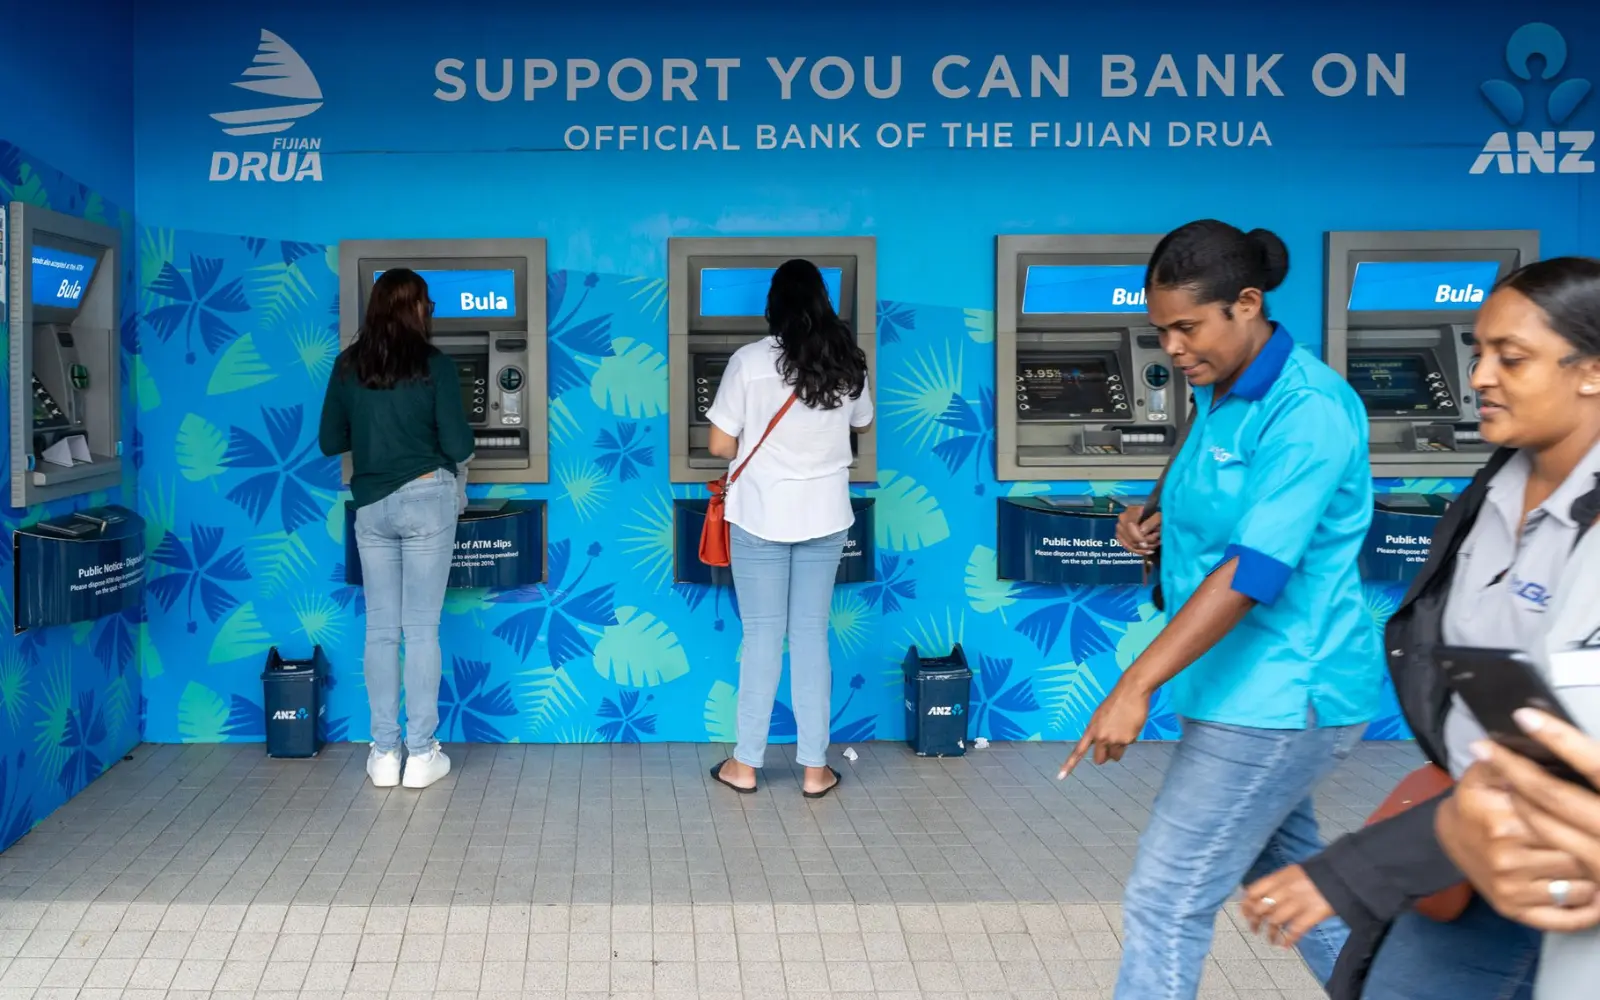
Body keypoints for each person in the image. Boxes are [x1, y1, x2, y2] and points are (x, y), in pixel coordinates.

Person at [1240, 256, 1600, 999]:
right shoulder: (1493, 488)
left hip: (1554, 845)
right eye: (1476, 351)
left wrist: (1360, 869)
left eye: (1511, 357)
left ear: (1591, 372)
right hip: (1467, 841)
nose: (1480, 377)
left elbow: (1568, 741)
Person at [1058, 219, 1385, 999]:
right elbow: (1213, 512)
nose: (1172, 349)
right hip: (1235, 685)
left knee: (1166, 899)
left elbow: (1253, 569)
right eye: (1160, 331)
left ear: (1246, 304)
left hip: (1283, 690)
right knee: (1290, 885)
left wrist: (1133, 685)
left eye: (1187, 327)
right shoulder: (1223, 393)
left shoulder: (1307, 408)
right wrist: (1146, 523)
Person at [705, 259, 873, 799]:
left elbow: (720, 445)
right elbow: (863, 423)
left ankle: (746, 764)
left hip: (761, 514)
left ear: (772, 306)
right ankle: (815, 769)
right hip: (825, 516)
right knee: (809, 636)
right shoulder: (847, 360)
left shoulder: (749, 361)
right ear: (824, 302)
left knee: (761, 636)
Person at [319, 267, 473, 790]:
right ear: (417, 308)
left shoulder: (348, 366)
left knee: (381, 632)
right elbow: (458, 444)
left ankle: (384, 754)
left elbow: (329, 440)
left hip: (372, 505)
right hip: (427, 498)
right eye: (428, 303)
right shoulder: (435, 365)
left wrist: (372, 430)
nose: (432, 311)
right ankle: (422, 754)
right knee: (422, 630)